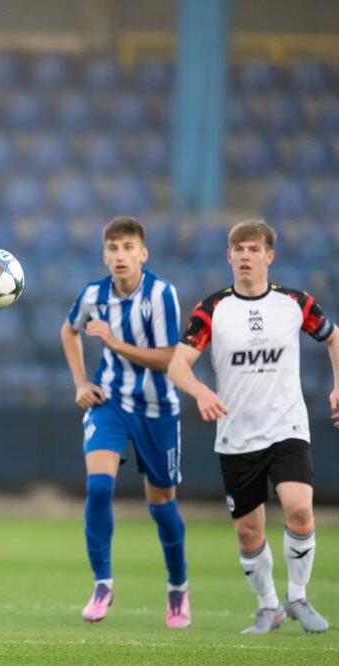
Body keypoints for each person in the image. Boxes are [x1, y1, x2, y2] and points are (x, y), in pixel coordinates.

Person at [168, 219, 338, 635]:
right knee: (249, 532)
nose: (245, 256)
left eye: (253, 249)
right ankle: (269, 607)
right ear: (228, 257)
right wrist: (201, 392)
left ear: (269, 257)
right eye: (238, 250)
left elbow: (334, 337)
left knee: (299, 508)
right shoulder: (212, 310)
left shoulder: (295, 303)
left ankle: (298, 596)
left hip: (287, 428)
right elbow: (177, 365)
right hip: (237, 435)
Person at [60, 217, 190, 628]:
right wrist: (81, 381)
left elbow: (170, 357)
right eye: (113, 248)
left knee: (161, 505)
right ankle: (102, 585)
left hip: (157, 409)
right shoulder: (94, 295)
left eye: (128, 248)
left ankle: (177, 588)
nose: (120, 256)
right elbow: (69, 330)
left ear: (143, 254)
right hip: (110, 402)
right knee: (99, 487)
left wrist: (115, 342)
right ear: (104, 254)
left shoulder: (162, 293)